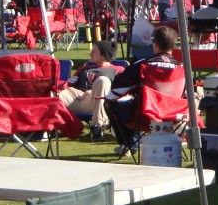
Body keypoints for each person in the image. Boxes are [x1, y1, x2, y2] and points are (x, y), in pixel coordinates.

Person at [105, 26, 181, 155]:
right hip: (176, 112)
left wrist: (111, 97)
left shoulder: (143, 65)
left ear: (155, 44)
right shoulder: (182, 68)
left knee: (111, 103)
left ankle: (129, 144)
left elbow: (117, 89)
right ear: (173, 46)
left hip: (149, 112)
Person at [57, 40, 123, 141]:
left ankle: (97, 126)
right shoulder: (84, 68)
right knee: (55, 93)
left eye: (94, 51)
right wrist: (73, 90)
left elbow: (120, 90)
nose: (90, 53)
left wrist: (92, 90)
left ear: (103, 54)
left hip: (98, 101)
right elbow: (66, 85)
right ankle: (56, 128)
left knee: (103, 80)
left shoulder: (117, 70)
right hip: (78, 99)